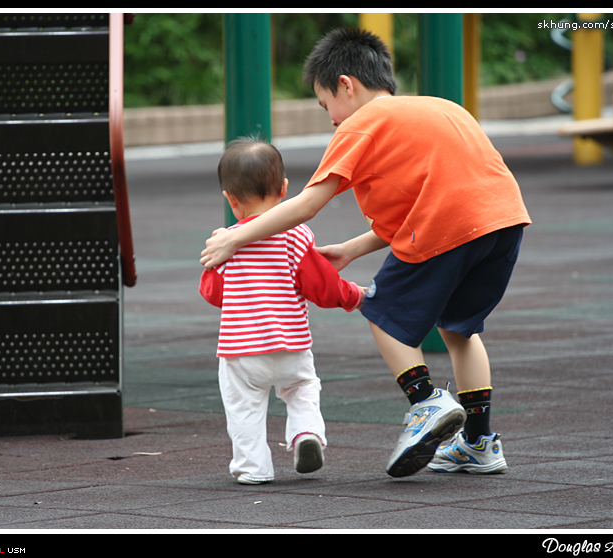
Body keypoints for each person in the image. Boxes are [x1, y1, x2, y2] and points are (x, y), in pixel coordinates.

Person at [200, 28, 531, 478]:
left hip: (449, 222)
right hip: (504, 220)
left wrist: (236, 237)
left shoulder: (361, 123)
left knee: (380, 310)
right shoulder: (440, 107)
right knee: (460, 329)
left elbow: (309, 202)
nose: (332, 120)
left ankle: (426, 404)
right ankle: (479, 443)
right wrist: (353, 249)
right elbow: (426, 203)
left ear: (345, 85)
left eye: (325, 106)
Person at [200, 137, 365, 485]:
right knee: (304, 387)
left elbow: (213, 295)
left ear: (231, 200)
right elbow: (322, 287)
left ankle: (253, 468)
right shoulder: (296, 235)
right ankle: (306, 433)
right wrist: (354, 296)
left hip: (241, 350)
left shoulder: (227, 241)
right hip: (292, 343)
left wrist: (215, 264)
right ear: (285, 190)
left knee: (244, 409)